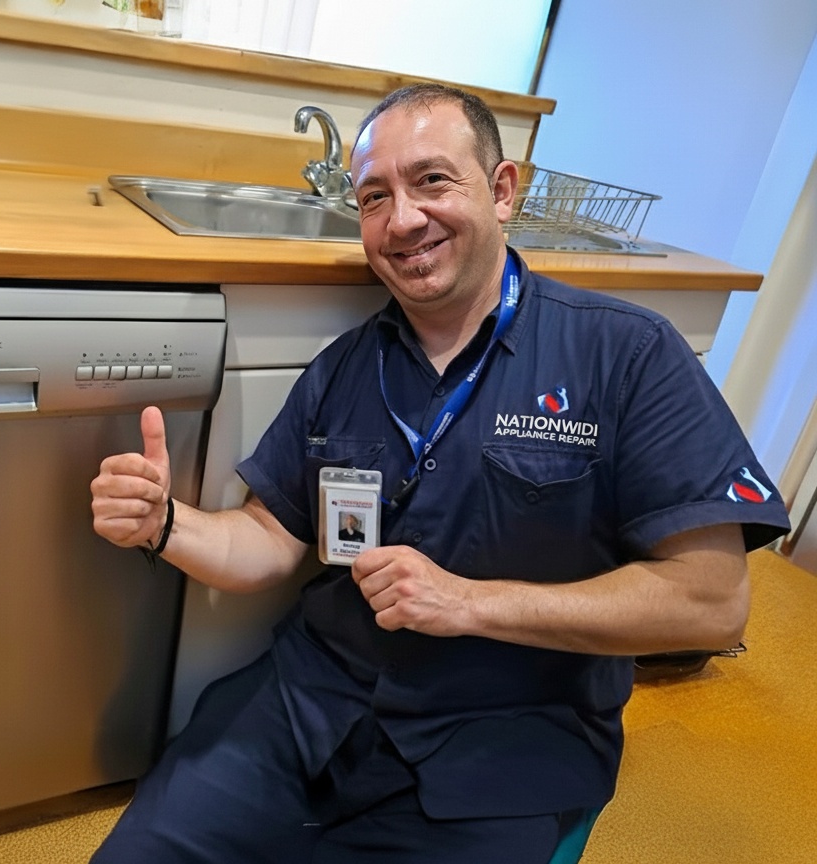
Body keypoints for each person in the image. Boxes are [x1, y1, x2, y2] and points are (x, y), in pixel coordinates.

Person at [88, 82, 791, 863]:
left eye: (432, 180)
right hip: (307, 707)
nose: (404, 220)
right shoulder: (342, 370)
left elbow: (712, 603)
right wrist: (167, 525)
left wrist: (468, 603)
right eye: (374, 197)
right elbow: (267, 538)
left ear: (501, 191)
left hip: (504, 742)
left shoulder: (628, 357)